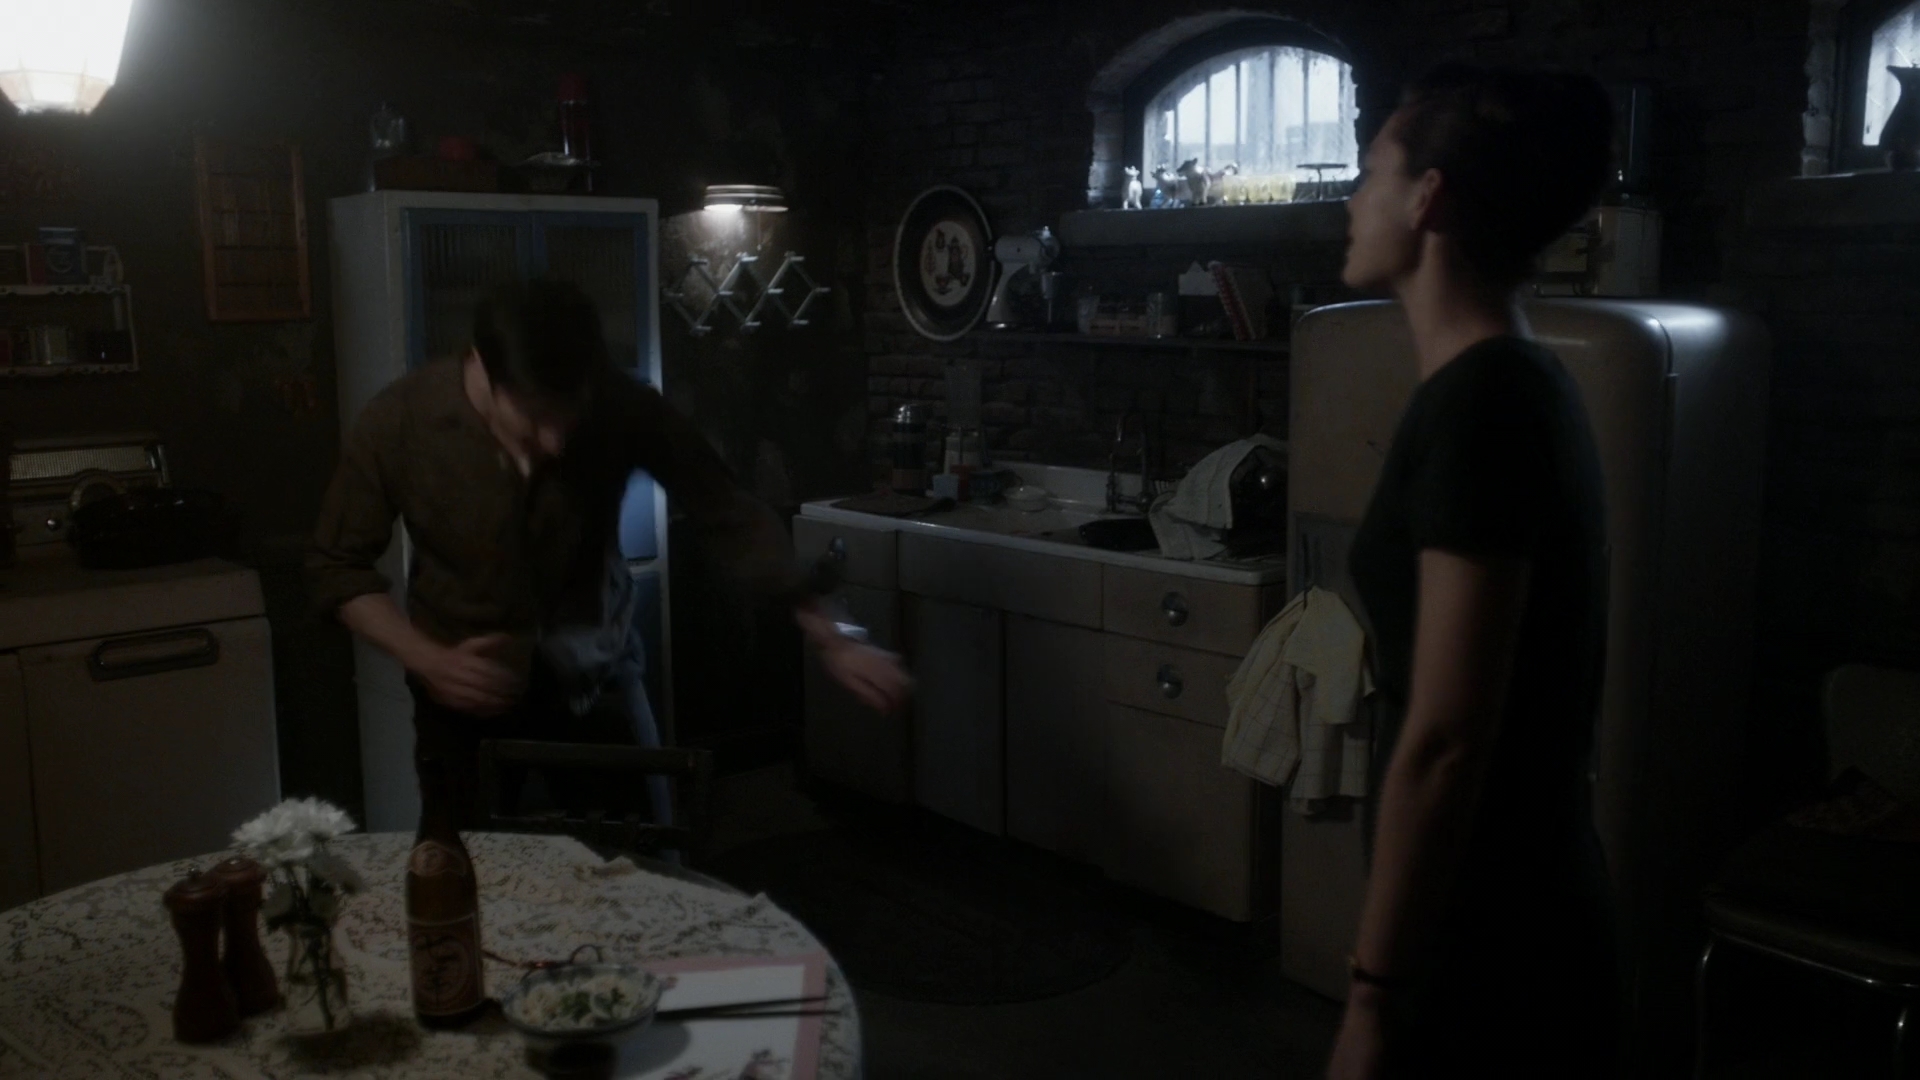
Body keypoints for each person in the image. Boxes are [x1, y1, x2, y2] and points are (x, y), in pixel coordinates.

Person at [310, 278, 910, 829]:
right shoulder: (403, 421)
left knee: (641, 862)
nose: (554, 442)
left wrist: (831, 633)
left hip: (595, 675)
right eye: (535, 418)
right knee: (462, 875)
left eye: (569, 417)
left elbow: (727, 511)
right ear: (484, 371)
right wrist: (426, 658)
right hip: (462, 694)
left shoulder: (621, 405)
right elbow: (338, 567)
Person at [1325, 65, 1620, 1078]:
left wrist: (1372, 998)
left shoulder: (1485, 404)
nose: (1352, 201)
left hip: (1495, 942)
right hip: (1496, 912)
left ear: (1427, 198)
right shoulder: (1506, 384)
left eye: (1371, 173)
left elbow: (1448, 738)